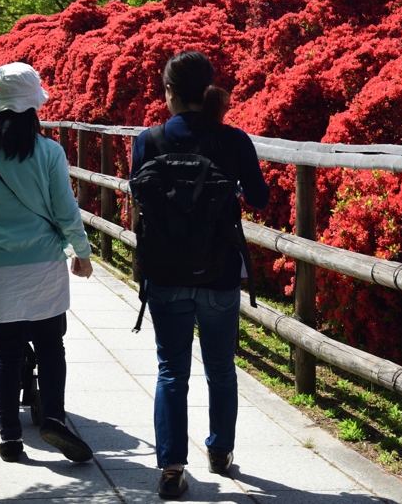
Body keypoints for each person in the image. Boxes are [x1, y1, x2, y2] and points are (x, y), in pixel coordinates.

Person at [131, 51, 269, 499]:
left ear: (169, 91)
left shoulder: (147, 140)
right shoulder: (232, 139)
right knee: (220, 368)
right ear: (208, 90)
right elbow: (261, 198)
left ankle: (172, 467)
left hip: (165, 272)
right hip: (219, 270)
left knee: (172, 370)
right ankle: (220, 451)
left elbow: (141, 200)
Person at [0, 62, 95, 464]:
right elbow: (65, 210)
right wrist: (80, 253)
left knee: (7, 351)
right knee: (51, 345)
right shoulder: (50, 151)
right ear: (34, 106)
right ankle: (52, 417)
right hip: (44, 263)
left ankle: (11, 439)